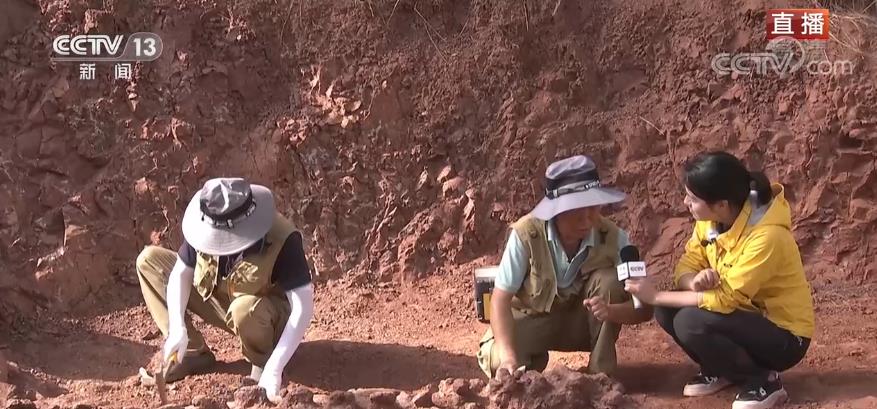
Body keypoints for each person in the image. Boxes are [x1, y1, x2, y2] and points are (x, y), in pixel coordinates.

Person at [625, 151, 814, 409]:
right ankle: (722, 368)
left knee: (689, 320)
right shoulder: (711, 221)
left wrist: (655, 295)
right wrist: (693, 281)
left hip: (784, 336)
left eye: (693, 198)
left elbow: (726, 299)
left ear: (722, 205)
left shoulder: (767, 237)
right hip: (742, 315)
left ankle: (763, 380)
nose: (685, 202)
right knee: (668, 310)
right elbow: (688, 262)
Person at [136, 178, 314, 402]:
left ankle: (263, 360)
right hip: (225, 303)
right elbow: (180, 273)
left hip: (267, 319)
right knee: (149, 261)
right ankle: (191, 352)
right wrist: (177, 327)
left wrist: (275, 367)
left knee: (244, 309)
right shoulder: (205, 223)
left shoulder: (282, 238)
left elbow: (303, 308)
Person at [476, 155, 653, 379]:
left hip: (583, 323)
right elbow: (500, 301)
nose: (587, 219)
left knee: (610, 281)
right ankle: (526, 365)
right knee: (498, 363)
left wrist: (611, 311)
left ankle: (600, 376)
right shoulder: (526, 234)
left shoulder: (614, 238)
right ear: (556, 210)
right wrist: (508, 358)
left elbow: (644, 309)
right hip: (532, 321)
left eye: (593, 207)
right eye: (576, 210)